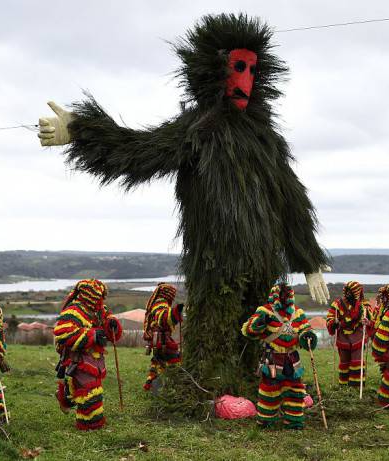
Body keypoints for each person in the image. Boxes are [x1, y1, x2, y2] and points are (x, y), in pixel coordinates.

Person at [36, 13, 330, 398]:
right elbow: (137, 151)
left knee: (258, 326)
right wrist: (80, 130)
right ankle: (211, 390)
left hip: (262, 261)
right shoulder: (199, 130)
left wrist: (308, 260)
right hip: (215, 259)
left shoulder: (266, 140)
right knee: (215, 327)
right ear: (213, 70)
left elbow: (291, 198)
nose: (245, 80)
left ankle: (261, 384)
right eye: (236, 67)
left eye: (252, 70)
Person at [241, 284, 317, 429]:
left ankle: (294, 421)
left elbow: (305, 328)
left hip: (292, 360)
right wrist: (260, 322)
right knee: (270, 390)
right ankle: (266, 421)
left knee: (295, 390)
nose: (284, 299)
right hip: (272, 359)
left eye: (287, 296)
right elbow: (248, 330)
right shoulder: (265, 311)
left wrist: (308, 336)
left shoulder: (298, 313)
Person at [53, 279, 122, 430]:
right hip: (79, 359)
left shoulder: (99, 310)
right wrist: (92, 335)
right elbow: (62, 334)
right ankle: (90, 424)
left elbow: (109, 322)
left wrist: (113, 325)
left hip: (96, 359)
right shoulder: (73, 311)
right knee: (89, 390)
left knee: (85, 387)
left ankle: (65, 396)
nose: (100, 300)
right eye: (97, 296)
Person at [326, 281, 373, 387]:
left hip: (358, 338)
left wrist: (367, 321)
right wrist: (335, 322)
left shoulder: (364, 305)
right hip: (343, 338)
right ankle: (344, 384)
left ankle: (356, 386)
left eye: (351, 292)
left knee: (357, 361)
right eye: (347, 292)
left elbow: (371, 320)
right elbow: (330, 318)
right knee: (344, 361)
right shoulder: (337, 304)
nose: (348, 295)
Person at [142, 283, 184, 392]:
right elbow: (163, 318)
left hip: (160, 342)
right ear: (168, 294)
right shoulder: (160, 303)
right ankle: (167, 388)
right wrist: (175, 313)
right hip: (162, 342)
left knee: (158, 362)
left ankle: (154, 386)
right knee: (174, 360)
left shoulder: (159, 303)